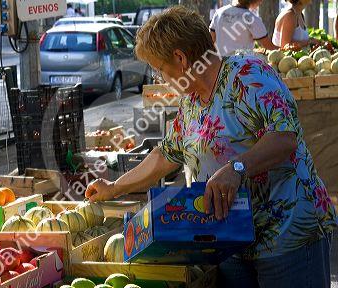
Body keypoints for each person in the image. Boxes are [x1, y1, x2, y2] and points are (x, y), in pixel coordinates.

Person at [85, 6, 336, 288]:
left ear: (180, 58)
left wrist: (237, 168)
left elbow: (285, 135)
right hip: (232, 239)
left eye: (160, 69)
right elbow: (164, 155)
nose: (161, 78)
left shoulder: (249, 74)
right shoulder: (191, 102)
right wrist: (114, 187)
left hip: (287, 235)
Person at [210, 0, 278, 56]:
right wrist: (284, 50)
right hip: (241, 65)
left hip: (219, 64)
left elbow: (210, 40)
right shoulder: (252, 19)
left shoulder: (219, 12)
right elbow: (269, 46)